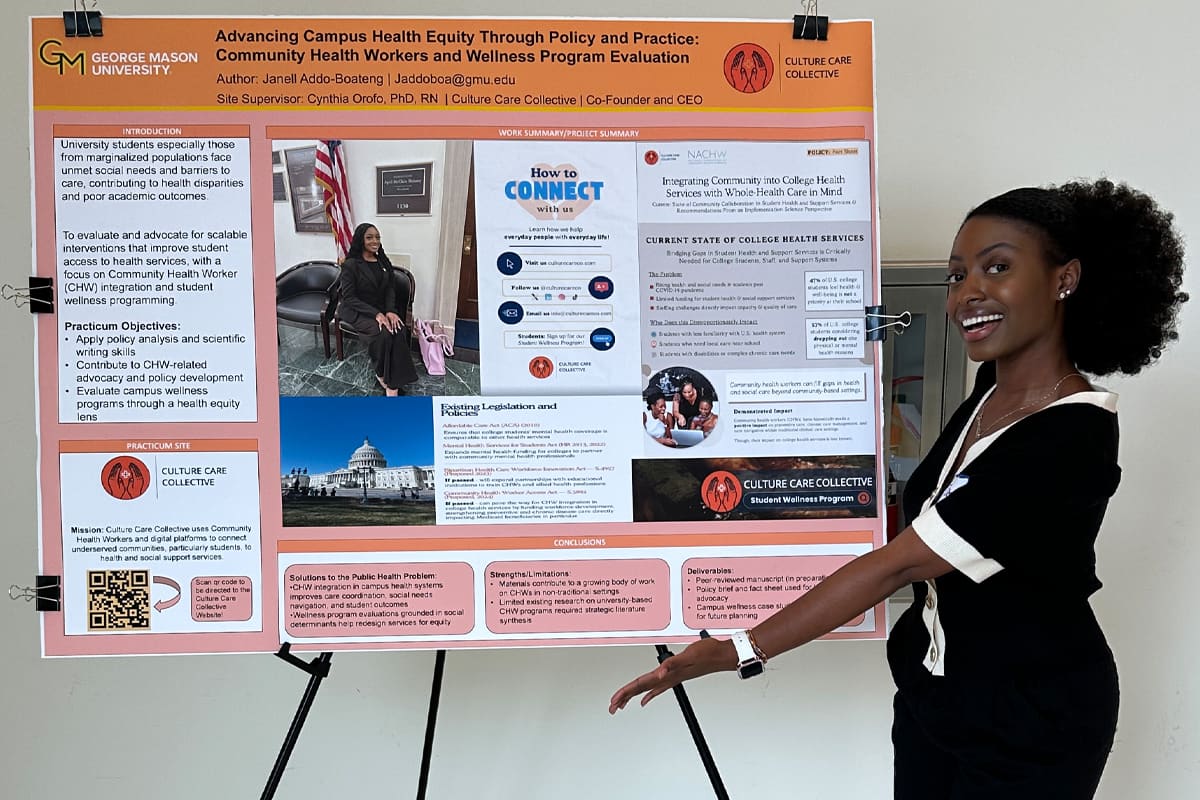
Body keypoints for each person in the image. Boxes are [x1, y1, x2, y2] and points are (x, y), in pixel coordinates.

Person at [610, 179, 1188, 799]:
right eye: (956, 275)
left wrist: (739, 649)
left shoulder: (1071, 434)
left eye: (997, 267)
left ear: (1064, 279)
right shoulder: (991, 392)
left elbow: (903, 562)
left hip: (1031, 715)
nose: (968, 293)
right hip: (935, 693)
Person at [337, 222, 418, 396]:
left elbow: (390, 289)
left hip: (380, 308)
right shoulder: (351, 265)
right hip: (357, 310)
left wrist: (390, 311)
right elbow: (349, 298)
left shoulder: (382, 261)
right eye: (369, 237)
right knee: (384, 333)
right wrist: (376, 314)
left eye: (377, 237)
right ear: (360, 240)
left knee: (398, 328)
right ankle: (381, 374)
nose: (375, 241)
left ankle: (394, 381)